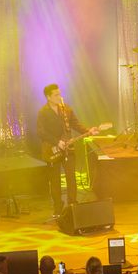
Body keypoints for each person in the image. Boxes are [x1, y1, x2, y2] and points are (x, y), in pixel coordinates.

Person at [36, 83, 98, 217]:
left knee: (71, 178)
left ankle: (72, 205)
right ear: (48, 97)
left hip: (68, 148)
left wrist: (88, 131)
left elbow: (76, 124)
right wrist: (56, 142)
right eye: (56, 95)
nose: (59, 97)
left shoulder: (66, 109)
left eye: (59, 94)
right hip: (52, 150)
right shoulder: (43, 112)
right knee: (55, 180)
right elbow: (40, 132)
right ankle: (58, 208)